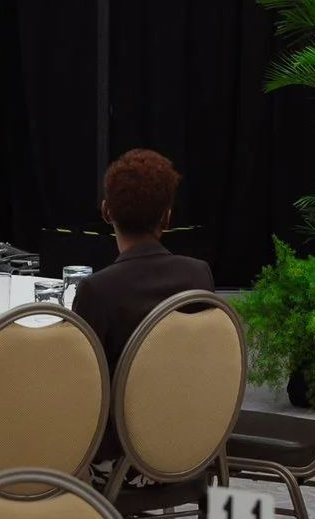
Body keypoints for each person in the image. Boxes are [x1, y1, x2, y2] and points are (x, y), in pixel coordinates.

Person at [71, 148, 215, 367]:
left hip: (118, 392)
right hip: (188, 389)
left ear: (106, 211)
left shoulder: (96, 291)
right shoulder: (199, 275)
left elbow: (81, 373)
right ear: (167, 217)